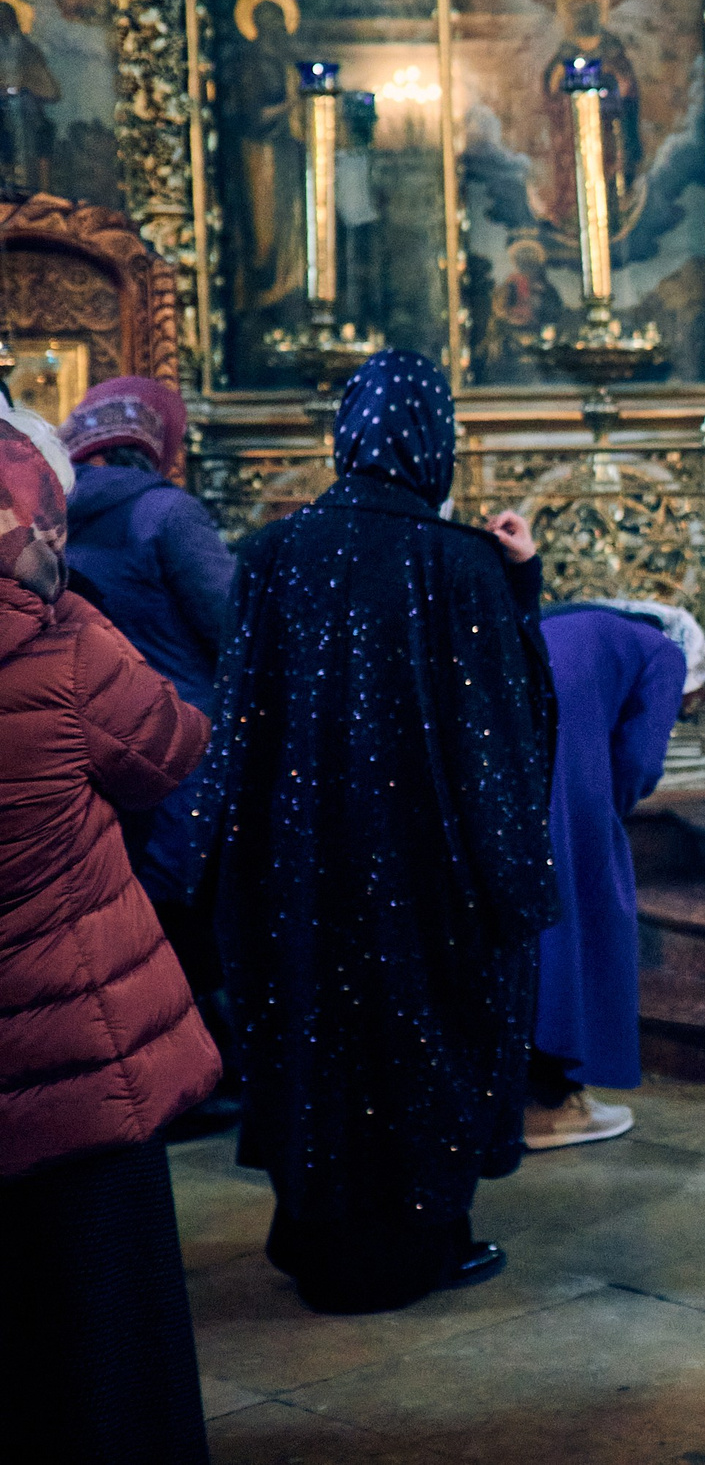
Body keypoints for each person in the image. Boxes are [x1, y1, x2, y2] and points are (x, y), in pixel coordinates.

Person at [199, 349, 560, 1315]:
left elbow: (238, 723)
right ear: (434, 438)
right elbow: (509, 727)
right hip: (427, 867)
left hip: (296, 862)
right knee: (419, 1044)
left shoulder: (270, 555)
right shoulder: (463, 564)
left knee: (312, 1039)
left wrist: (227, 859)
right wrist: (521, 585)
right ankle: (416, 1246)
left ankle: (312, 1234)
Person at [0, 413, 219, 1464]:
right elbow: (173, 746)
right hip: (82, 1045)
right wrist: (69, 610)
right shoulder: (64, 648)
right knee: (112, 1328)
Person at [58, 376, 241, 1131]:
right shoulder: (166, 513)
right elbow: (234, 627)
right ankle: (195, 1081)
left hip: (96, 743)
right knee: (196, 917)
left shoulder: (49, 511)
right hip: (184, 742)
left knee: (134, 919)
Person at [525, 600, 693, 1151]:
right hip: (568, 788)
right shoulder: (665, 651)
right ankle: (551, 1106)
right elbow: (642, 759)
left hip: (500, 777)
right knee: (581, 929)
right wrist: (609, 812)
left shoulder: (564, 621)